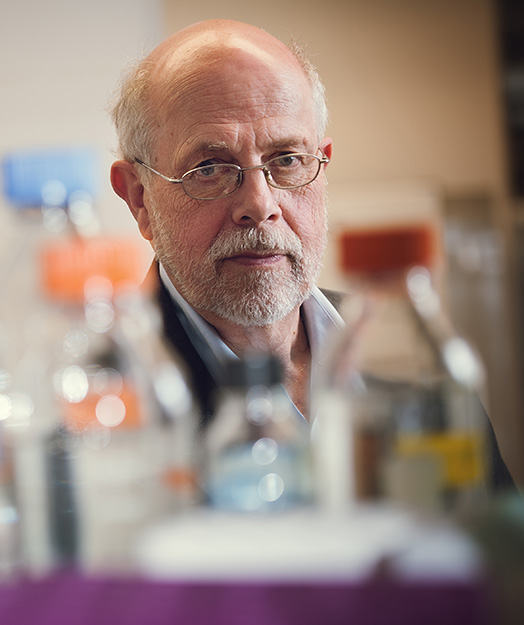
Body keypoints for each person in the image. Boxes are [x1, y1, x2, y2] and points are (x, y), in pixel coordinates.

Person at [107, 19, 515, 490]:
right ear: (139, 198)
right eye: (210, 168)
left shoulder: (415, 359)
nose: (260, 206)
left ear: (321, 165)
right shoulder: (104, 395)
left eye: (286, 159)